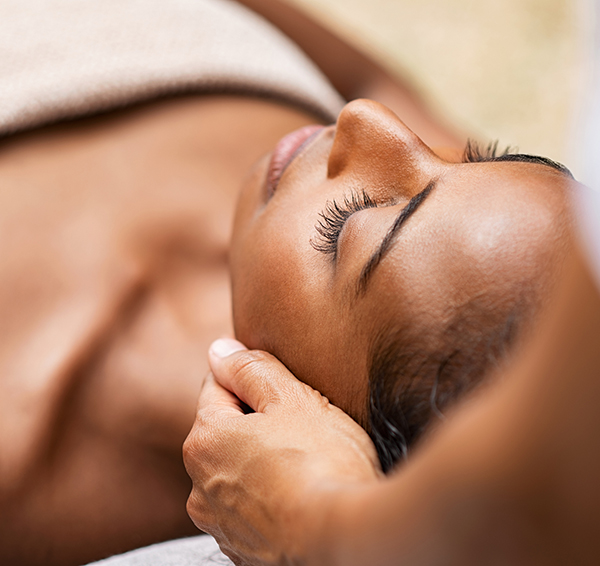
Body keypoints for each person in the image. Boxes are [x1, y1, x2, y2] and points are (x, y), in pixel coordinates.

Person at [0, 1, 576, 566]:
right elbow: (364, 77)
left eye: (350, 221)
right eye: (476, 159)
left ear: (326, 438)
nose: (366, 119)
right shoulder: (495, 230)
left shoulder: (27, 469)